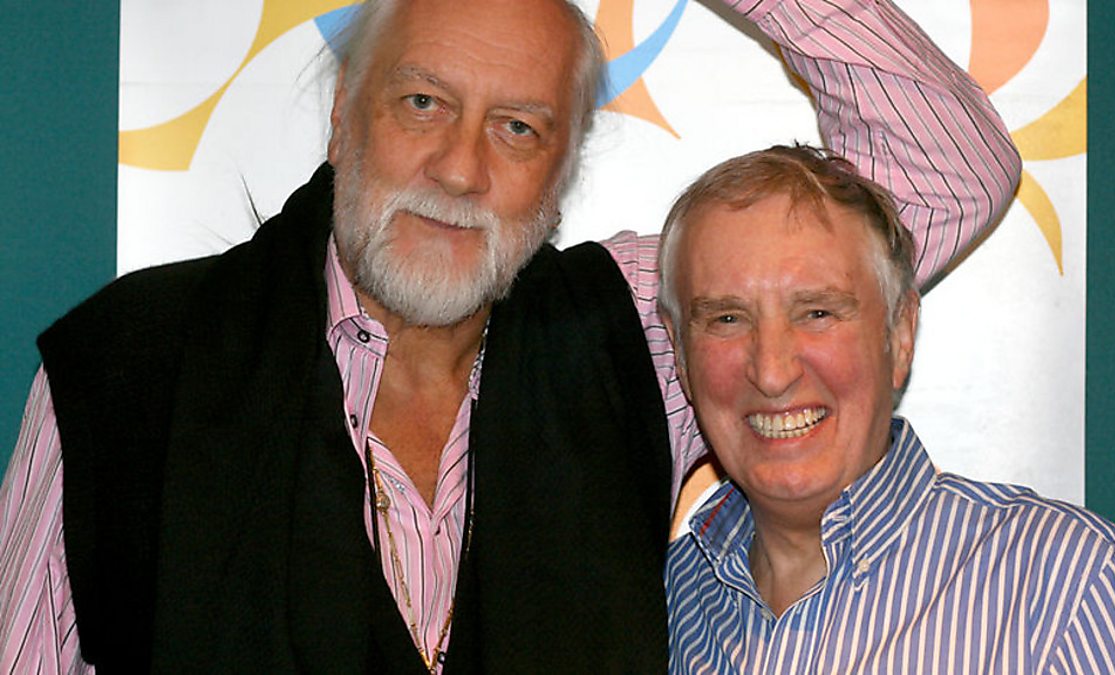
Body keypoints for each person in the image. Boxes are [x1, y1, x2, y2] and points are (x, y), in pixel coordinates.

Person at [0, 0, 1020, 672]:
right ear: (343, 120)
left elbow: (946, 175)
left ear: (561, 173)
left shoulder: (640, 330)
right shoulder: (130, 367)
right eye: (422, 103)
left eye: (518, 127)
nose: (460, 168)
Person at [659, 144, 1115, 673]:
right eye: (726, 319)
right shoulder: (666, 604)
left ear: (900, 334)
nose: (772, 371)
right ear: (679, 354)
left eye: (818, 312)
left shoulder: (1073, 598)